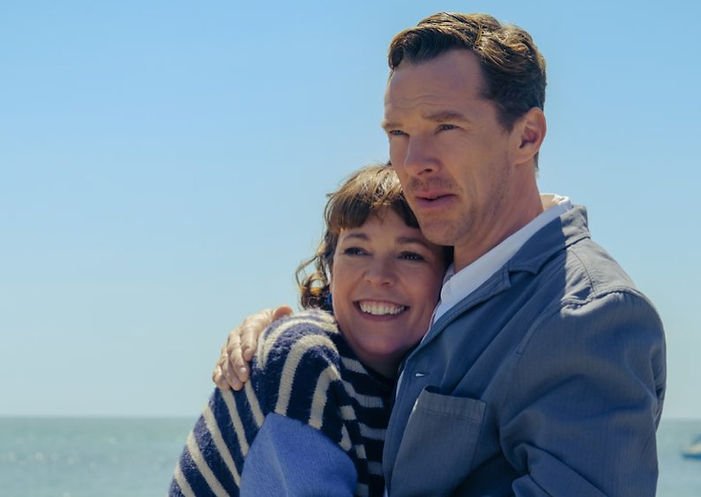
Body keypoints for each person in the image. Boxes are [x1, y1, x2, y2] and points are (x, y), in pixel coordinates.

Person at [217, 12, 667, 496]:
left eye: (446, 126)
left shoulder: (587, 315)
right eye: (398, 133)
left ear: (526, 136)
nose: (414, 163)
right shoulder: (448, 270)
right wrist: (287, 332)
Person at [170, 164, 449, 497]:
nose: (378, 275)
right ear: (330, 269)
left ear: (449, 277)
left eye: (409, 255)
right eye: (356, 250)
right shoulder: (303, 356)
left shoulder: (420, 376)